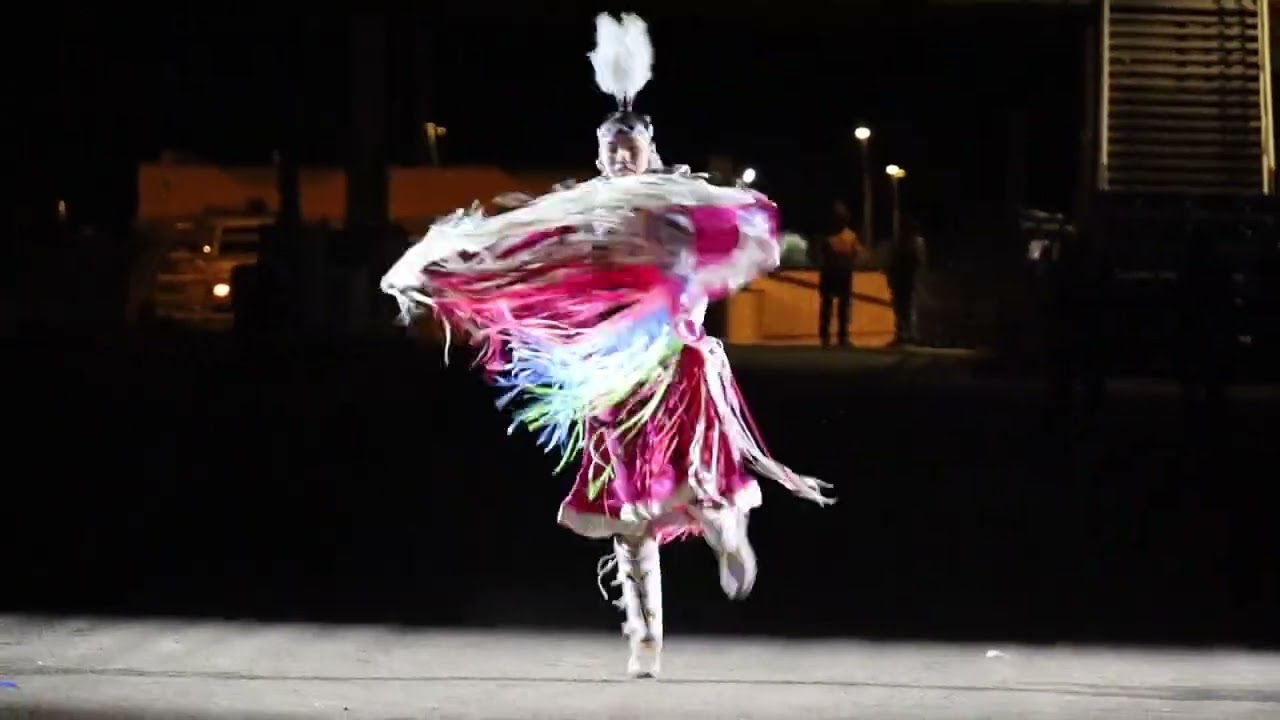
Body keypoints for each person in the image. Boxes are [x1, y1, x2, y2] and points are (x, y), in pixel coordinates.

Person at [381, 13, 833, 679]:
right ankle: (644, 635)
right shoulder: (584, 208)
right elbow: (523, 244)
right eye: (612, 146)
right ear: (600, 153)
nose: (622, 154)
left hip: (678, 363)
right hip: (612, 377)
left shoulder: (676, 199)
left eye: (631, 145)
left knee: (703, 483)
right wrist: (439, 262)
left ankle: (728, 537)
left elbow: (733, 230)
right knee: (629, 513)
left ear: (648, 149)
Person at [817, 201, 862, 348]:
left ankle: (833, 336)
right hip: (838, 273)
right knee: (832, 306)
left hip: (836, 273)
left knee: (833, 306)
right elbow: (857, 254)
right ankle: (836, 336)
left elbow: (857, 254)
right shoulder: (847, 236)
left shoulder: (833, 236)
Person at [887, 217, 927, 346]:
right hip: (902, 280)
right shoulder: (901, 242)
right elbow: (893, 262)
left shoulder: (914, 242)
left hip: (908, 279)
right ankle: (904, 334)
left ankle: (910, 334)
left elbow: (918, 260)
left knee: (907, 307)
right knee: (901, 308)